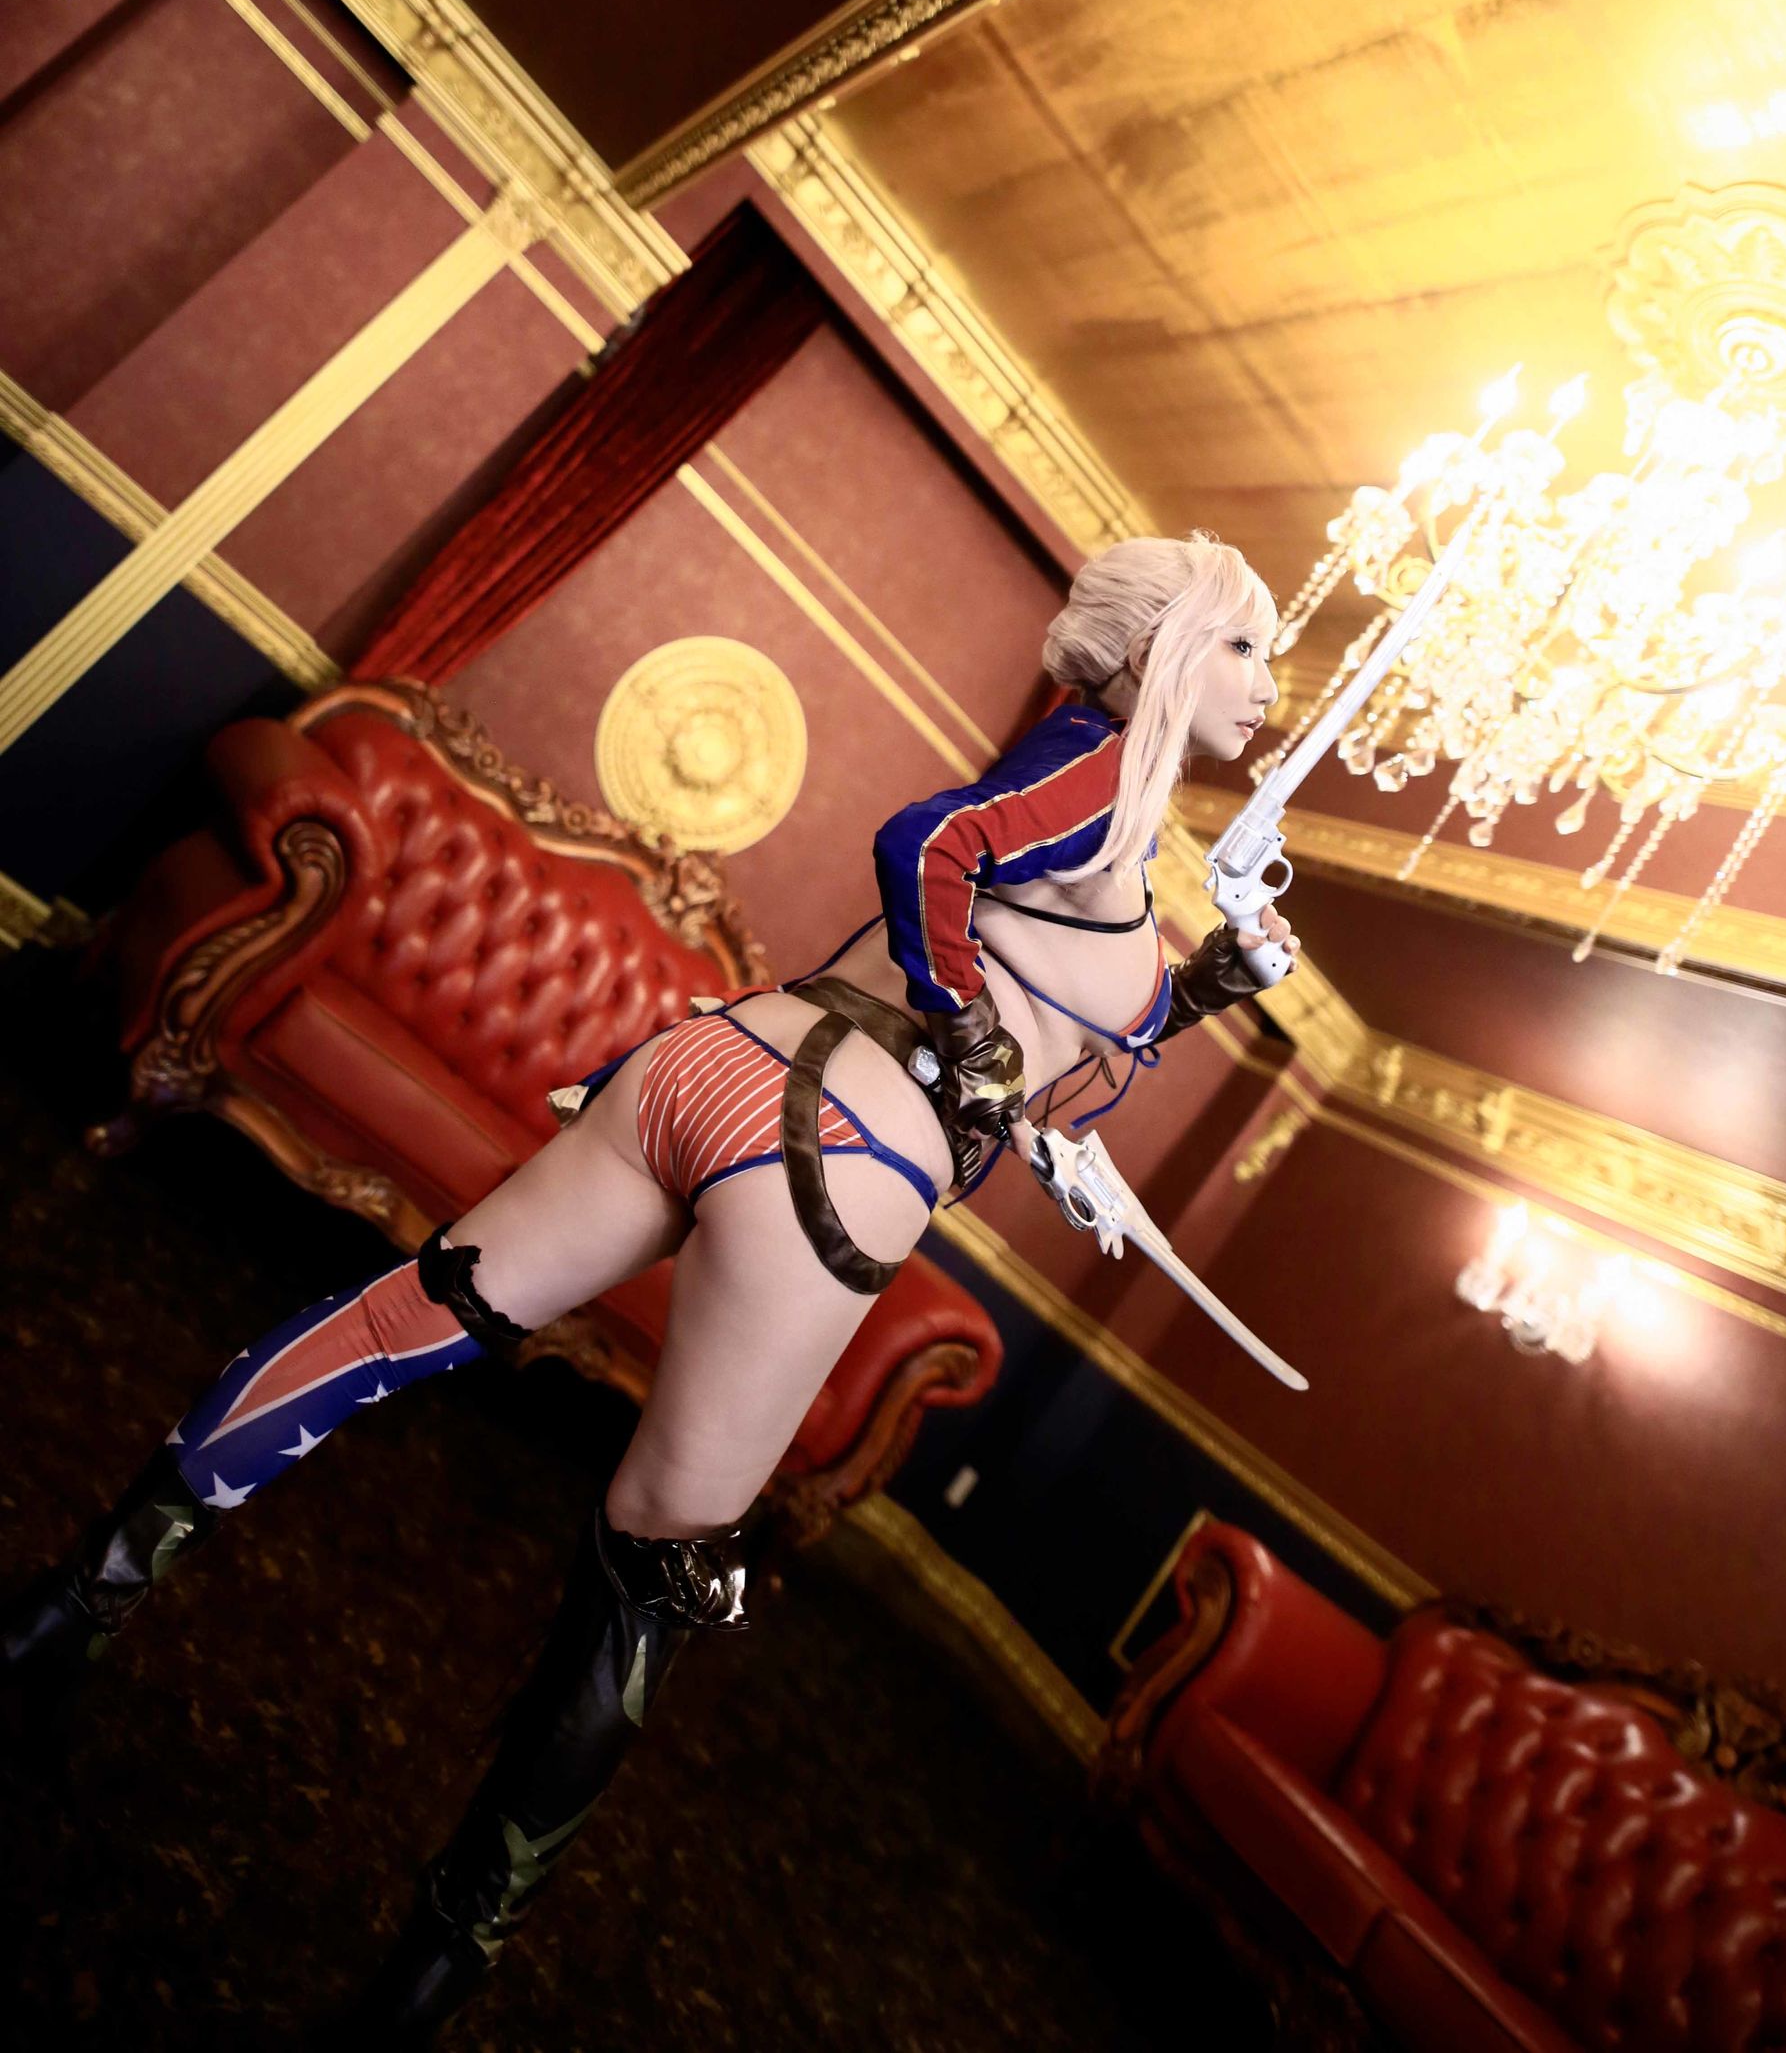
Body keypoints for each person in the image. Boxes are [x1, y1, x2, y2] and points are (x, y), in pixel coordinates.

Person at [2, 532, 1295, 2041]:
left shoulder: (1108, 817)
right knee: (654, 1573)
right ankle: (439, 1964)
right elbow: (927, 848)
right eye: (1245, 647)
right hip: (838, 1151)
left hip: (719, 1063)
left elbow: (1062, 1060)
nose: (1267, 688)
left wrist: (1204, 989)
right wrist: (970, 1028)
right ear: (1161, 652)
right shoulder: (1096, 775)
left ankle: (65, 1613)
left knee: (403, 1317)